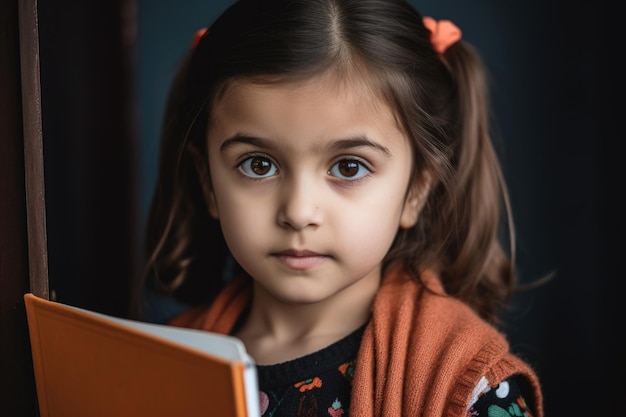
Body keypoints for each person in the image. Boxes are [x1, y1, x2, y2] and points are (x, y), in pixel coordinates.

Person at [135, 0, 544, 415]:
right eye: (259, 164)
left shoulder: (471, 387)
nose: (298, 211)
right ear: (208, 183)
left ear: (416, 191)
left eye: (349, 167)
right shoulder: (158, 363)